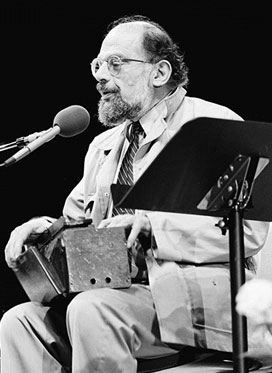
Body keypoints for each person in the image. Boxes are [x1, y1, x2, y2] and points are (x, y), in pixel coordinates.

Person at [0, 14, 270, 373]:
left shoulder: (212, 127)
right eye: (98, 64)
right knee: (19, 321)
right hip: (125, 295)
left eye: (115, 64)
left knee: (92, 309)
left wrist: (153, 229)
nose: (100, 76)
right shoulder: (104, 145)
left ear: (159, 73)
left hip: (206, 295)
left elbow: (248, 232)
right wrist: (46, 230)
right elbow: (79, 221)